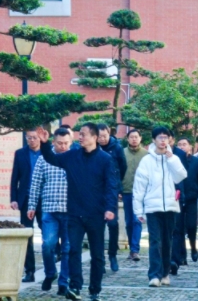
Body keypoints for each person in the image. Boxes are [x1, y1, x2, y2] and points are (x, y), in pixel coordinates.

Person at [39, 123, 118, 301]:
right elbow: (53, 159)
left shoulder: (105, 159)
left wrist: (110, 208)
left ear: (94, 137)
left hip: (96, 214)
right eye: (79, 134)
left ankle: (95, 290)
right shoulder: (72, 155)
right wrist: (44, 144)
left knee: (97, 255)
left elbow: (111, 185)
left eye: (83, 134)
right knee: (73, 250)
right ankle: (75, 287)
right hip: (74, 213)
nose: (79, 137)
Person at [133, 126, 188, 287]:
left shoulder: (174, 158)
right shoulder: (147, 161)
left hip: (170, 206)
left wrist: (171, 159)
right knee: (155, 241)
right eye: (160, 137)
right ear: (154, 140)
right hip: (152, 207)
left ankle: (165, 273)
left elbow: (181, 176)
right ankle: (154, 275)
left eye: (166, 137)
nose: (163, 140)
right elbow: (139, 187)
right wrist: (138, 210)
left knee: (167, 241)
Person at [27, 128, 73, 295]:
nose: (63, 146)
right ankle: (50, 273)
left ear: (71, 143)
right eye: (59, 143)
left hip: (70, 211)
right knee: (48, 245)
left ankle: (64, 282)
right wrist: (32, 205)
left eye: (66, 143)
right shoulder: (43, 159)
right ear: (53, 142)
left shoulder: (75, 158)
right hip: (49, 210)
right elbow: (35, 184)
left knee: (68, 248)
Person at [11, 127, 44, 283]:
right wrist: (14, 198)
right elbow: (15, 177)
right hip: (26, 198)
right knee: (27, 235)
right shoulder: (20, 153)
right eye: (29, 138)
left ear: (40, 137)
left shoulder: (47, 152)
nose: (32, 140)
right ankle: (29, 271)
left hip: (44, 199)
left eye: (35, 137)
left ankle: (51, 265)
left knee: (48, 234)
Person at [171, 137, 198, 273]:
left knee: (191, 226)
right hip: (178, 199)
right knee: (179, 228)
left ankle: (193, 247)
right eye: (179, 144)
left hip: (192, 198)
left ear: (190, 147)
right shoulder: (174, 161)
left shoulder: (196, 161)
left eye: (184, 144)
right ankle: (181, 256)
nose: (182, 146)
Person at [96, 124, 127, 273]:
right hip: (96, 191)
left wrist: (117, 185)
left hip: (111, 190)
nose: (102, 139)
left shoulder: (117, 148)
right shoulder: (93, 148)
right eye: (99, 136)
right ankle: (100, 260)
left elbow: (123, 167)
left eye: (104, 136)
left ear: (109, 134)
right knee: (97, 226)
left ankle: (112, 254)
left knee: (113, 224)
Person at [121, 129, 147, 262]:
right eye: (131, 137)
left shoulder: (146, 154)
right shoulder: (122, 153)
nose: (134, 139)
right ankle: (132, 248)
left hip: (141, 192)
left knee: (137, 220)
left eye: (136, 137)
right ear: (127, 139)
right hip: (126, 190)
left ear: (140, 138)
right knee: (129, 222)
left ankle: (135, 250)